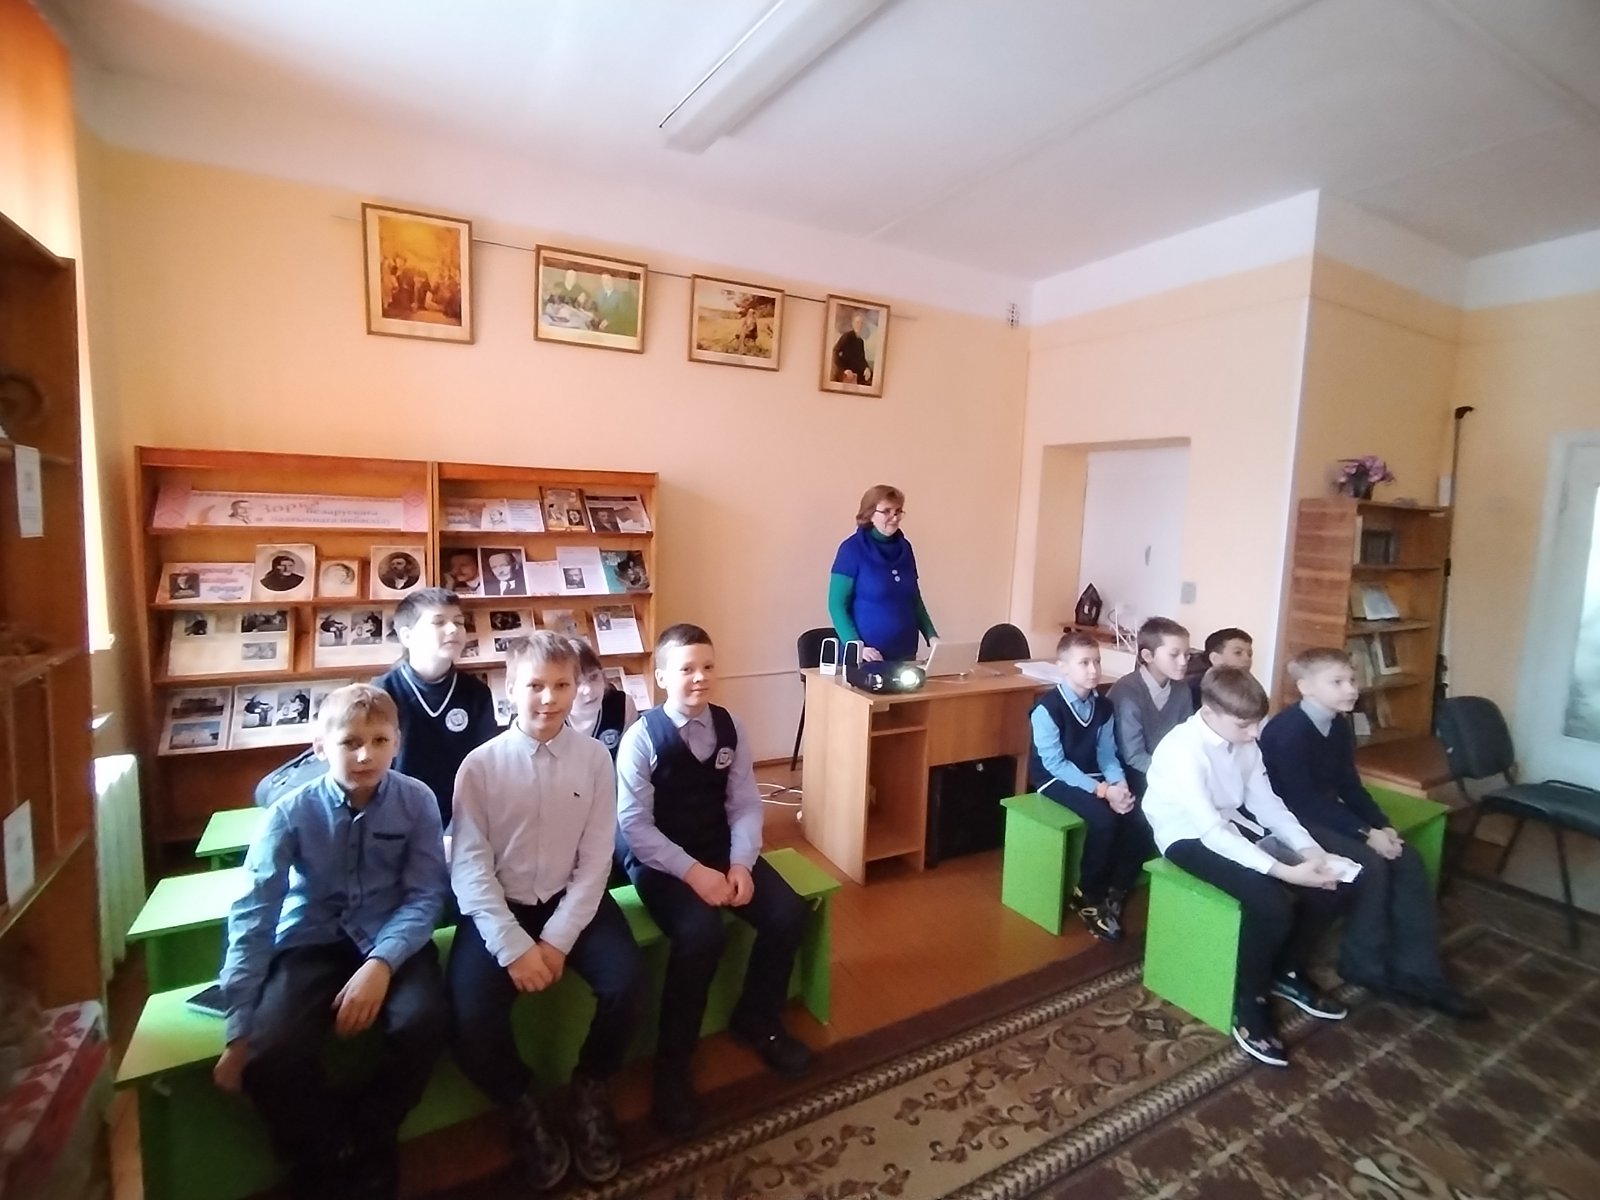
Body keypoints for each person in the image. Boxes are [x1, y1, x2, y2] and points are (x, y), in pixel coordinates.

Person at [214, 684, 449, 1200]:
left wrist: (381, 963)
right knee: (272, 1054)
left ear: (397, 742)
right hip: (312, 939)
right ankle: (321, 1150)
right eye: (350, 743)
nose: (365, 756)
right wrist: (237, 1028)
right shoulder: (289, 812)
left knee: (424, 1022)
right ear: (321, 746)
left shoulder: (417, 801)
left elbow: (425, 895)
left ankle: (374, 1132)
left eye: (379, 741)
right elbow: (254, 913)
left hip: (392, 935)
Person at [448, 634, 646, 1190]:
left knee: (628, 983)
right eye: (535, 685)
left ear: (577, 687)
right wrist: (513, 947)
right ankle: (521, 1098)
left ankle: (592, 1084)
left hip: (572, 900)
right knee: (468, 1015)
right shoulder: (479, 767)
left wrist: (558, 939)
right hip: (500, 906)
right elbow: (469, 868)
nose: (549, 698)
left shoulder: (595, 759)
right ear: (510, 688)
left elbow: (596, 859)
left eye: (562, 685)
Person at [617, 624, 811, 1135]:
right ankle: (673, 1065)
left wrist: (741, 863)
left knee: (788, 913)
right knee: (700, 934)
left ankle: (758, 1018)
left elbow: (745, 803)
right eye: (686, 669)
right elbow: (634, 827)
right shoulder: (641, 737)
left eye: (707, 666)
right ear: (661, 677)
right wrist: (694, 874)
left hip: (719, 848)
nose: (700, 677)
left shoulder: (731, 727)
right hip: (660, 860)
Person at [1143, 667, 1360, 1068]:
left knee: (1331, 887)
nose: (1255, 733)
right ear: (1209, 713)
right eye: (1245, 725)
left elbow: (1267, 803)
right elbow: (1209, 831)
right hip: (1185, 835)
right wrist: (1284, 870)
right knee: (1272, 904)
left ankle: (1287, 972)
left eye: (1258, 722)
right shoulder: (1181, 750)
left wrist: (1310, 851)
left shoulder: (1243, 739)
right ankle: (1250, 998)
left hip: (1232, 825)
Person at [1260, 648, 1486, 1019]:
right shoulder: (1288, 732)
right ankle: (1364, 963)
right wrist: (1365, 833)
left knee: (1407, 858)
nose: (1351, 689)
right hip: (1290, 819)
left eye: (1351, 680)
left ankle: (1422, 973)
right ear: (1305, 687)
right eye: (1338, 682)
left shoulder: (1337, 725)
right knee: (1370, 865)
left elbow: (1349, 785)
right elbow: (1301, 802)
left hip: (1322, 814)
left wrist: (1382, 826)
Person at [1027, 632, 1147, 942]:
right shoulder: (1047, 709)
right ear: (1063, 667)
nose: (1093, 670)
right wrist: (1103, 791)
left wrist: (1119, 785)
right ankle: (1087, 894)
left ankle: (1116, 886)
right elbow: (1055, 764)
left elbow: (1107, 754)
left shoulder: (1103, 707)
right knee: (1104, 820)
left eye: (1097, 661)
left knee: (1136, 814)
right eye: (1084, 663)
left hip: (1091, 773)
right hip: (1054, 779)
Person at [373, 589, 499, 830]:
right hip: (396, 821)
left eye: (459, 622)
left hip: (464, 819)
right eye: (438, 622)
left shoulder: (477, 693)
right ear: (407, 636)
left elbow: (486, 766)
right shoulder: (381, 693)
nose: (453, 629)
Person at [827, 484, 936, 663]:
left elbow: (915, 600)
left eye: (898, 511)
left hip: (905, 653)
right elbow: (836, 605)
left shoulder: (905, 548)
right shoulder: (851, 549)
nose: (894, 517)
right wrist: (856, 646)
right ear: (870, 514)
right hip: (868, 657)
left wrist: (932, 637)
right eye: (886, 511)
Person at [1106, 617, 1194, 797]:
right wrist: (1172, 777)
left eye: (1187, 655)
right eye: (1174, 654)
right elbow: (1133, 755)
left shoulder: (1182, 690)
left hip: (1169, 770)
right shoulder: (1127, 692)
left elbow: (1187, 740)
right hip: (1133, 773)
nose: (1183, 662)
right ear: (1148, 656)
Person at [568, 638, 638, 758]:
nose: (588, 689)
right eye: (577, 683)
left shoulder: (623, 705)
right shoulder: (550, 715)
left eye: (594, 677)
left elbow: (630, 761)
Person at [1187, 627, 1254, 708]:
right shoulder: (1196, 690)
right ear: (1215, 658)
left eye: (1249, 654)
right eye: (1238, 653)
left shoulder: (1249, 687)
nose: (1247, 659)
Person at [831, 309, 871, 386]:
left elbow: (861, 359)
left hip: (855, 377)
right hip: (845, 376)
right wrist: (844, 370)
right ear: (853, 324)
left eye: (861, 323)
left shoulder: (860, 341)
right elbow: (835, 352)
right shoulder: (847, 337)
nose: (859, 325)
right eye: (857, 322)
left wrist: (866, 368)